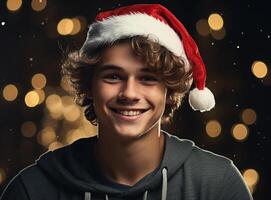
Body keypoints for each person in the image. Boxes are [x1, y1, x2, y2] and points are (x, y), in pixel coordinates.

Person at [0, 4, 253, 200]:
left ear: (170, 89)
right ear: (90, 85)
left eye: (147, 78)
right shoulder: (32, 189)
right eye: (113, 76)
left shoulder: (217, 185)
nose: (129, 93)